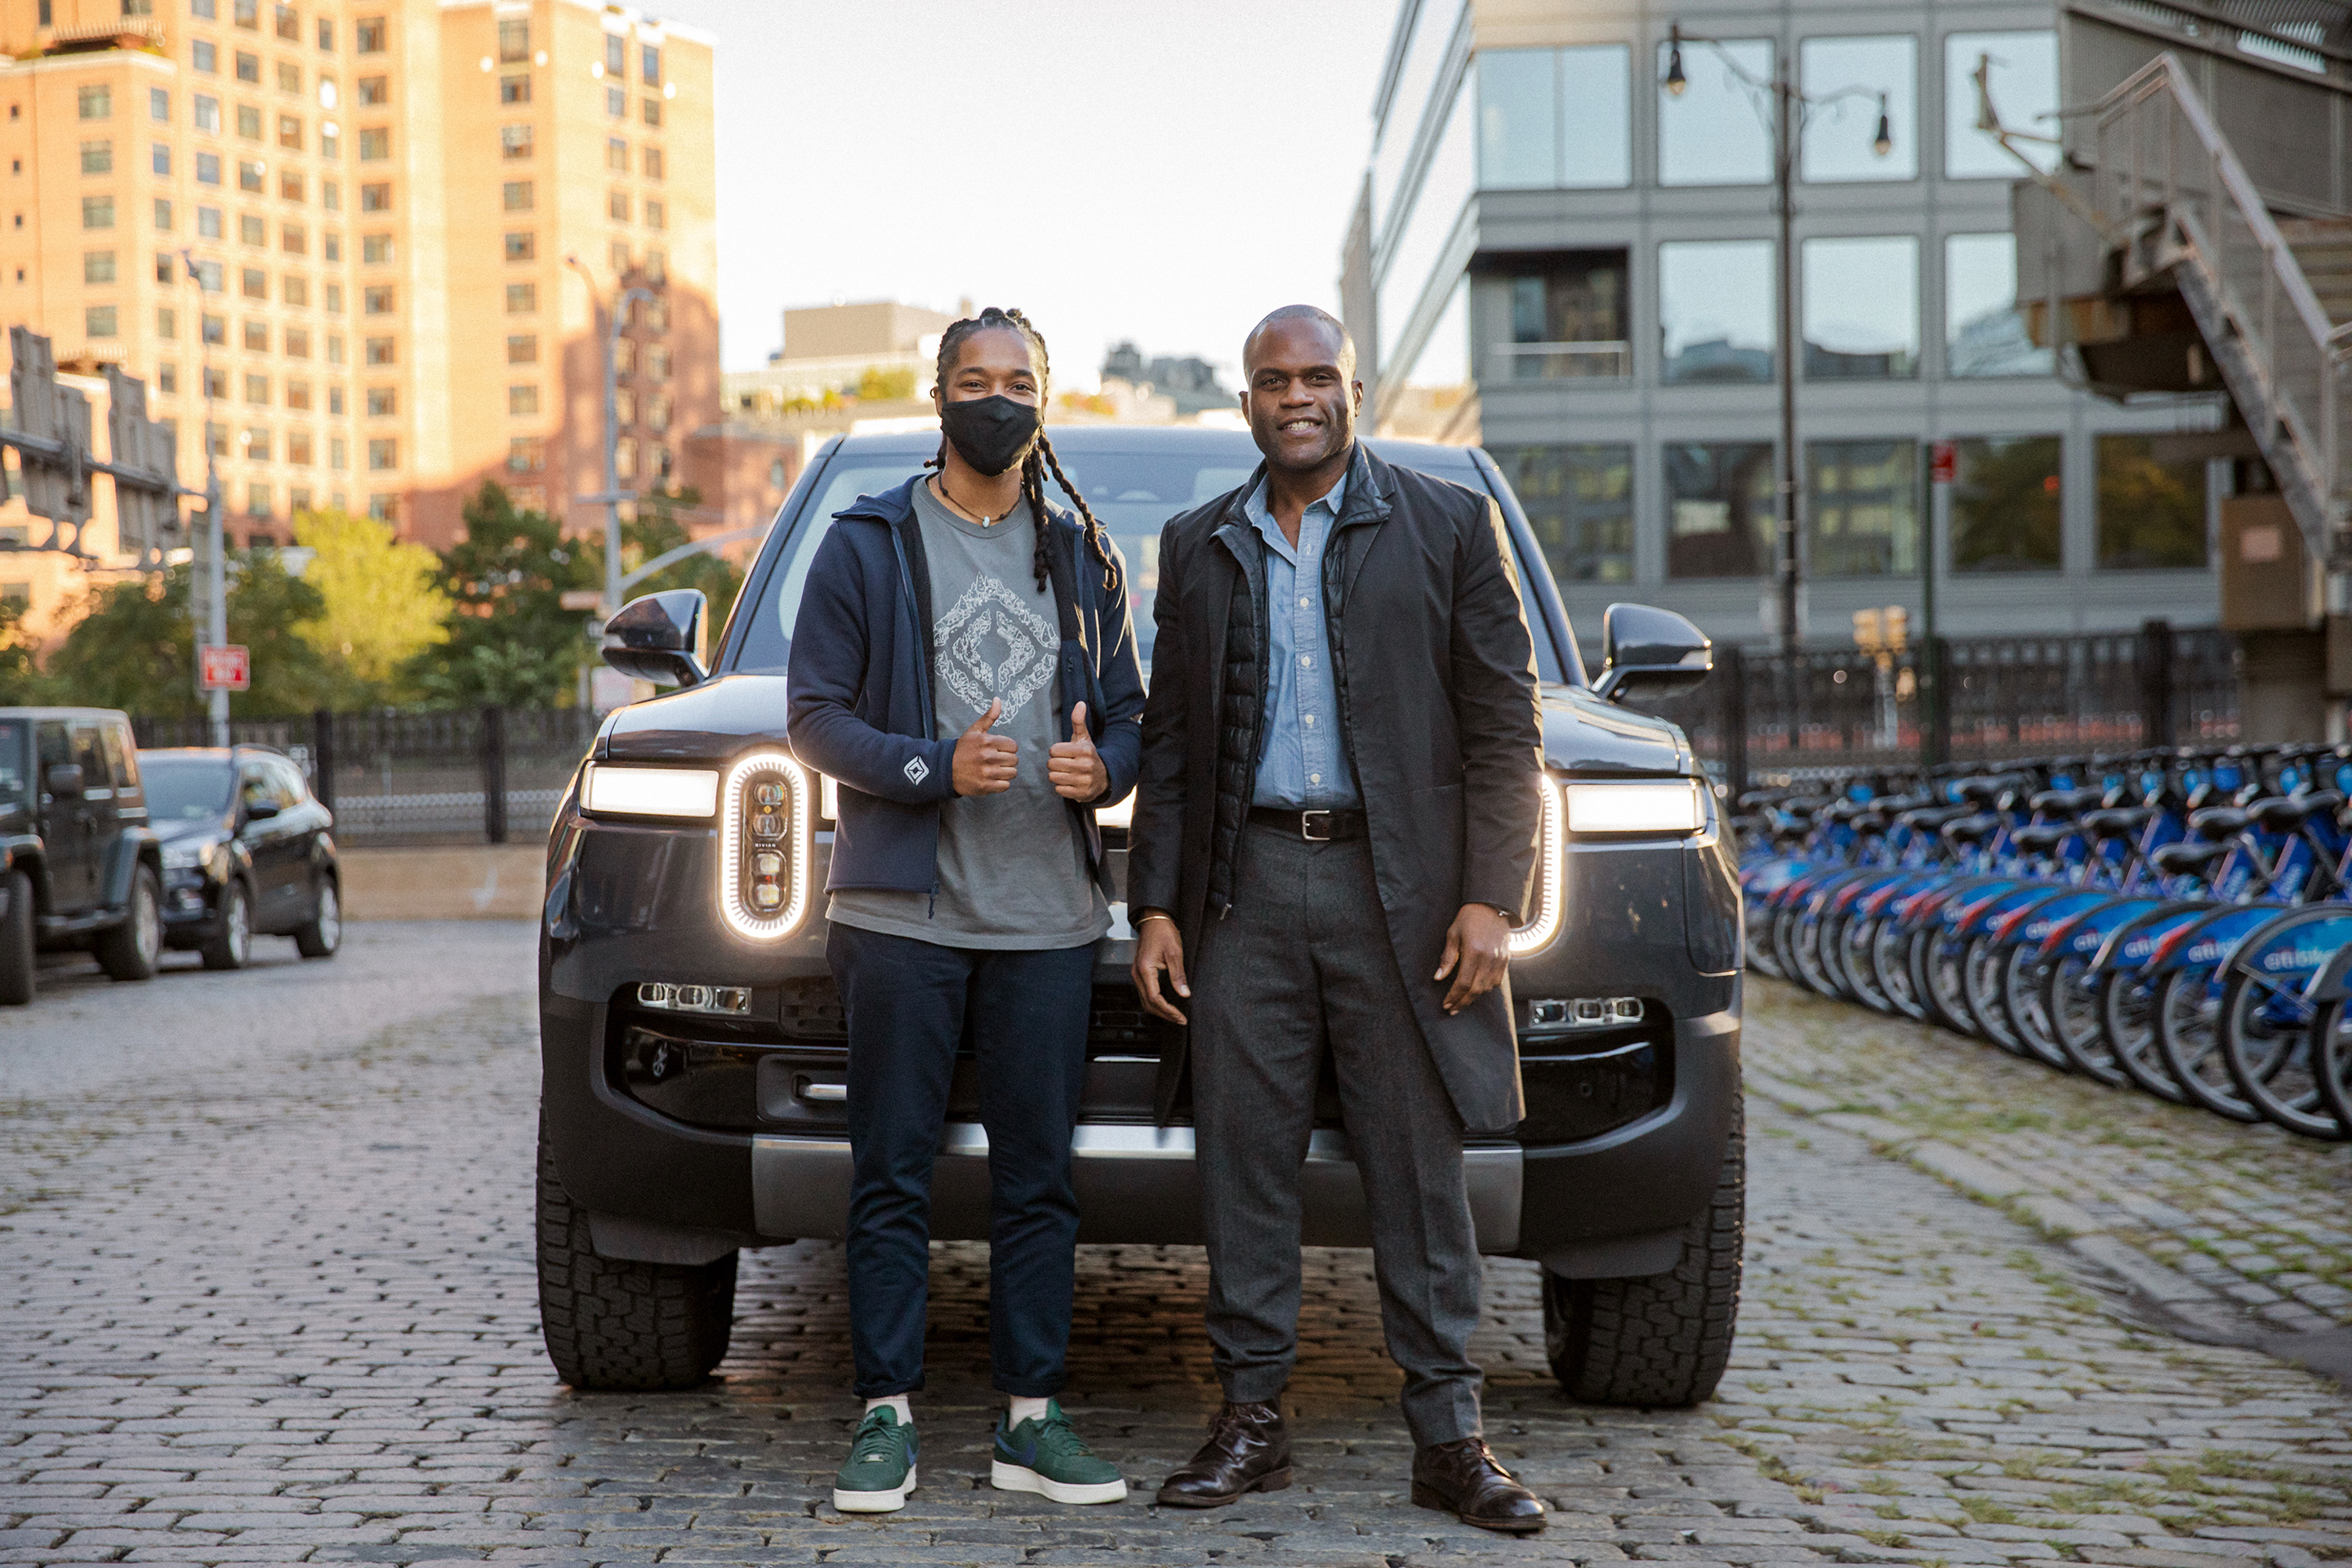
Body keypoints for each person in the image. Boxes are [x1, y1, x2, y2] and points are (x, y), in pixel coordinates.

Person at [1126, 305, 1548, 1535]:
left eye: (1317, 377)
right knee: (1241, 1164)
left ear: (1355, 389)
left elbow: (1502, 727)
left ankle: (1450, 1439)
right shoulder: (1198, 544)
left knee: (1419, 1172)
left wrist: (1490, 898)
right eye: (1272, 380)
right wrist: (1156, 905)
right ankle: (1252, 1421)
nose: (1295, 396)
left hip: (1401, 896)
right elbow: (1170, 740)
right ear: (1245, 399)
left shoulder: (1448, 523)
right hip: (1244, 893)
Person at [786, 306, 1143, 1514]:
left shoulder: (1087, 551)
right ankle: (884, 1415)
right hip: (902, 915)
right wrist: (936, 766)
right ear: (938, 395)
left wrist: (1112, 769)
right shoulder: (867, 542)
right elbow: (815, 718)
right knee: (890, 1171)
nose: (999, 400)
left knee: (1039, 1179)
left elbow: (1136, 715)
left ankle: (1029, 1424)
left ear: (1048, 398)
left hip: (1048, 916)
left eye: (1020, 382)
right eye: (976, 380)